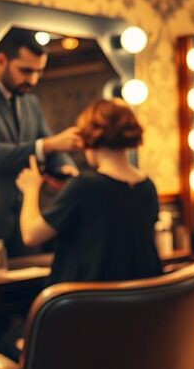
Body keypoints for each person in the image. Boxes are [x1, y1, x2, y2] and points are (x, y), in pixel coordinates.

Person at [15, 98, 162, 285]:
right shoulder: (147, 186)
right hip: (134, 306)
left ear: (89, 139)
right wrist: (70, 192)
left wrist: (30, 189)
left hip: (85, 306)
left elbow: (31, 235)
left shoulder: (84, 186)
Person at [0, 29, 82, 256]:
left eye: (39, 72)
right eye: (26, 71)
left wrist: (63, 167)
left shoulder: (31, 103)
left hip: (28, 218)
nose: (33, 80)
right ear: (1, 60)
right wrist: (48, 145)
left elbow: (50, 143)